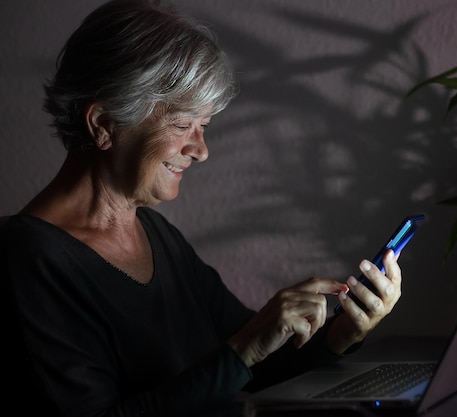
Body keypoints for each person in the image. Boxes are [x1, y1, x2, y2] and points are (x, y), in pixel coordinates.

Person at [0, 1, 403, 416]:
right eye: (181, 124)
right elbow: (237, 358)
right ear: (103, 123)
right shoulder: (31, 259)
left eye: (204, 126)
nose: (201, 150)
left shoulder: (157, 235)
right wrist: (245, 348)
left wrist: (341, 331)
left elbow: (247, 367)